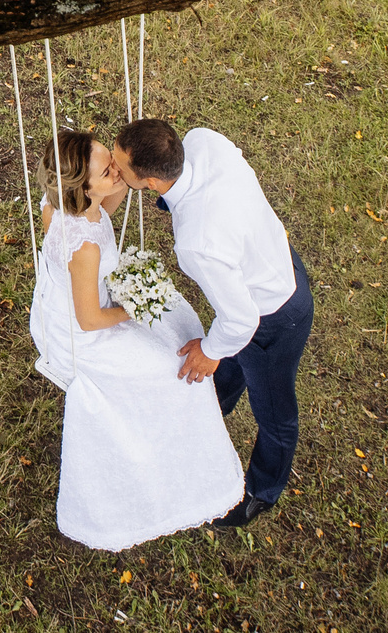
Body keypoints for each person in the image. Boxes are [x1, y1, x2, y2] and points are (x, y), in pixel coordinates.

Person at [27, 128, 245, 547]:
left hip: (85, 301)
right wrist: (137, 304)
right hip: (84, 334)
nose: (116, 169)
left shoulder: (68, 203)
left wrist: (128, 166)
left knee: (182, 325)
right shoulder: (83, 247)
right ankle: (157, 453)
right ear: (84, 188)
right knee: (171, 367)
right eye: (107, 170)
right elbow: (90, 320)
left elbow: (118, 192)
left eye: (109, 157)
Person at [112, 117, 314, 530]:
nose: (113, 168)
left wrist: (209, 351)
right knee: (230, 365)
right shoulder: (203, 140)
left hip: (272, 315)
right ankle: (209, 414)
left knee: (275, 411)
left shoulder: (197, 242)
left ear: (151, 182)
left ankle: (261, 493)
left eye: (120, 166)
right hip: (273, 255)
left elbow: (241, 321)